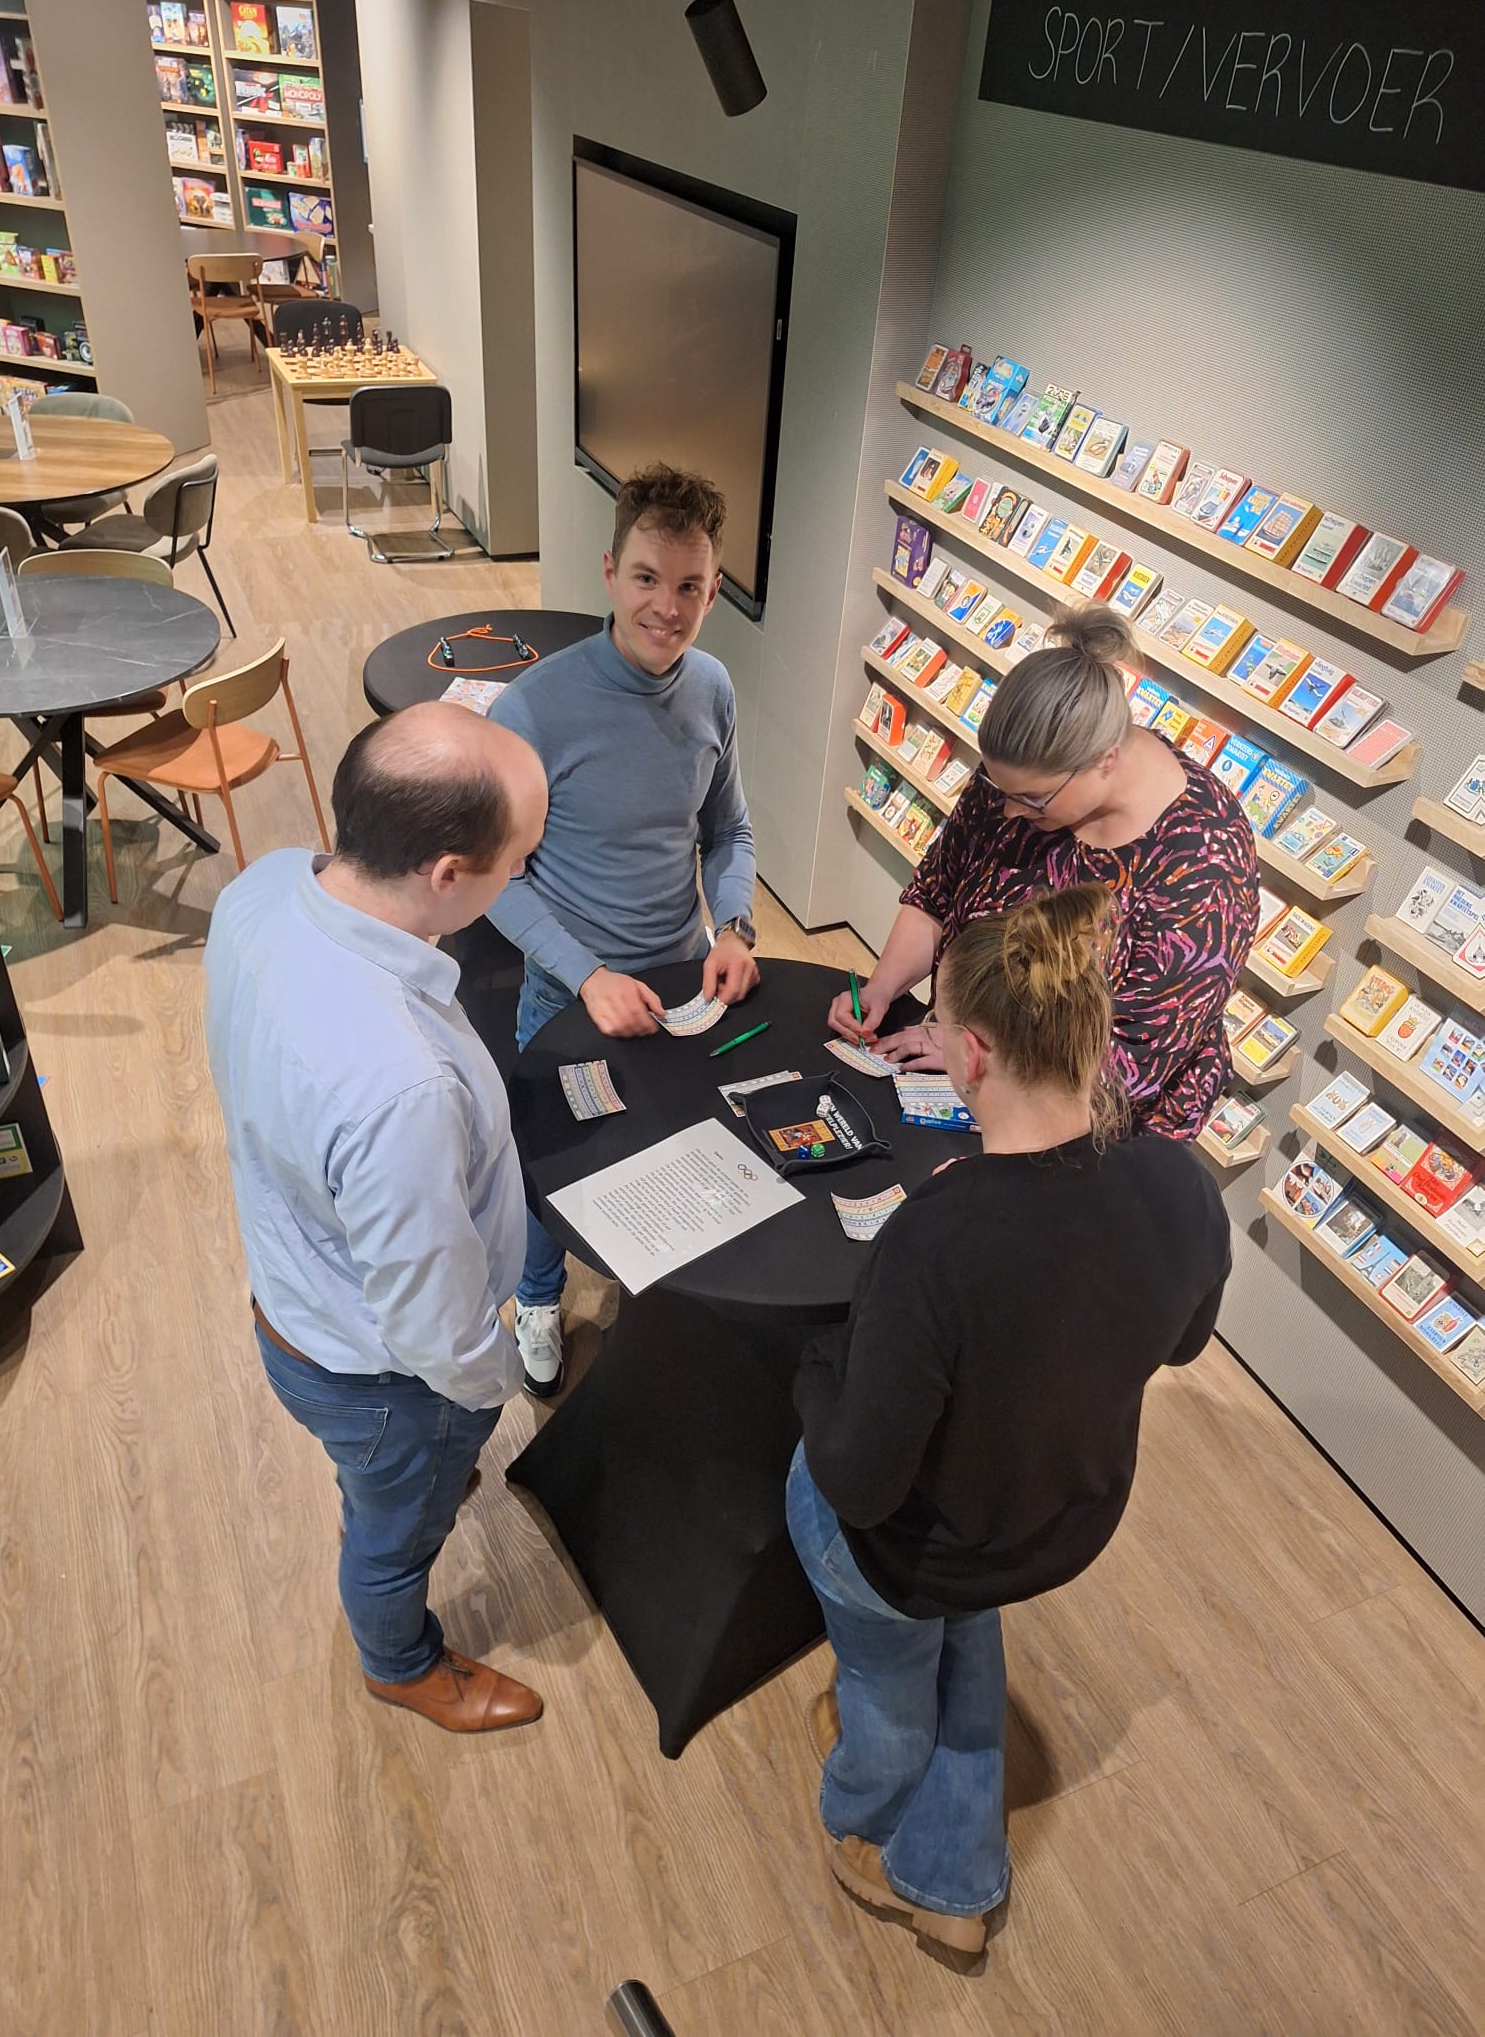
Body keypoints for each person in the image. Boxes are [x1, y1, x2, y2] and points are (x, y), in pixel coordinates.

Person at [790, 885, 1231, 1956]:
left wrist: (812, 1371)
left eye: (938, 1026)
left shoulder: (936, 1242)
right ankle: (954, 1875)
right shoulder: (1181, 1184)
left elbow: (861, 1483)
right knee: (967, 1621)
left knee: (885, 1671)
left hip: (923, 1543)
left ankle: (869, 1817)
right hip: (1062, 1516)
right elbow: (1181, 1344)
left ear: (973, 1055)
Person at [203, 703, 550, 1735]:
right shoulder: (400, 1087)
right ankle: (399, 1662)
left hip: (295, 1295)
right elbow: (433, 1325)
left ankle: (398, 1487)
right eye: (519, 859)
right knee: (393, 1538)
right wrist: (490, 1385)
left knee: (385, 1486)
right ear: (447, 874)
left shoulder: (265, 885)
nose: (524, 874)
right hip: (385, 1378)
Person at [488, 463, 759, 1395]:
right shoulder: (532, 708)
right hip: (569, 997)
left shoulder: (713, 689)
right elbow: (495, 880)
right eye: (647, 578)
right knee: (552, 1174)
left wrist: (736, 927)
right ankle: (535, 1297)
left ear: (713, 590)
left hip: (684, 987)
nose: (667, 608)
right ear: (610, 572)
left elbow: (729, 831)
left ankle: (662, 1306)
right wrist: (586, 974)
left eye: (689, 586)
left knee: (670, 1150)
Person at [828, 606, 1258, 1137]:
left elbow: (1133, 1062)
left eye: (1031, 800)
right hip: (970, 1073)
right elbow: (937, 892)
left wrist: (980, 1060)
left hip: (1094, 1133)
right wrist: (882, 987)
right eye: (999, 790)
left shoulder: (1205, 861)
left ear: (1104, 760)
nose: (1008, 813)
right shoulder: (1022, 774)